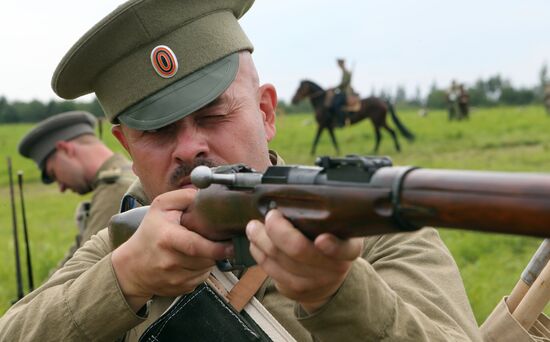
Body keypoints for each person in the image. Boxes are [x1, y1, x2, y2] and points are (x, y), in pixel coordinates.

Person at [0, 1, 482, 341]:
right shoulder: (121, 242)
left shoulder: (376, 229)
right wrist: (123, 279)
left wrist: (337, 291)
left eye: (213, 116)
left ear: (266, 112)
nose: (189, 148)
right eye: (159, 131)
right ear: (126, 145)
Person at [17, 110, 136, 266]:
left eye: (53, 173)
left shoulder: (114, 190)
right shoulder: (126, 174)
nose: (61, 187)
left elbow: (83, 272)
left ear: (65, 149)